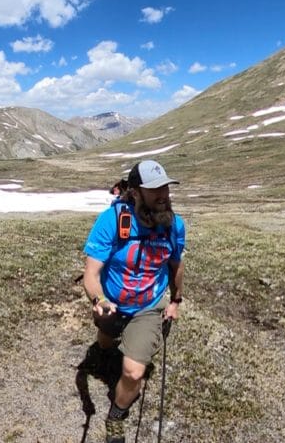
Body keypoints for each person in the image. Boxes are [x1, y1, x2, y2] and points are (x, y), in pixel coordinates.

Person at [82, 160, 185, 443]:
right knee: (105, 340)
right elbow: (91, 273)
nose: (164, 195)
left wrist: (175, 300)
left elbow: (176, 265)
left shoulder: (174, 225)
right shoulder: (112, 220)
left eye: (166, 187)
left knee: (133, 370)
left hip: (149, 307)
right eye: (155, 190)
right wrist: (99, 298)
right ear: (136, 192)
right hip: (112, 302)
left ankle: (116, 415)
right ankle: (104, 351)